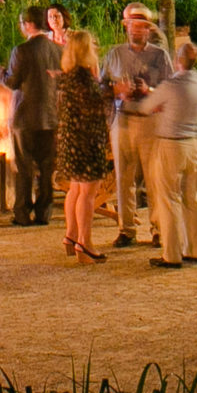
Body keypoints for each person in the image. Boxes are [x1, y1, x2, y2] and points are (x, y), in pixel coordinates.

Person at [101, 3, 175, 249]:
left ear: (148, 30)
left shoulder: (159, 56)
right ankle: (126, 228)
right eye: (133, 25)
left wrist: (148, 90)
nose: (137, 30)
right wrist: (117, 91)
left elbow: (171, 90)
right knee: (124, 177)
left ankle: (158, 229)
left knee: (154, 177)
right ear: (127, 27)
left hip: (150, 121)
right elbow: (100, 87)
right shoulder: (114, 54)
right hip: (122, 120)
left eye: (143, 26)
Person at [137, 39, 197, 268]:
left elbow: (145, 107)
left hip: (171, 144)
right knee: (192, 198)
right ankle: (196, 249)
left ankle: (172, 253)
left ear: (178, 60)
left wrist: (150, 96)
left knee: (168, 199)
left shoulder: (171, 85)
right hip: (196, 143)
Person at [52, 27, 113, 262]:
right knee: (88, 193)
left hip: (71, 140)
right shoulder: (84, 78)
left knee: (75, 189)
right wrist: (114, 91)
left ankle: (71, 235)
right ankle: (85, 244)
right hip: (86, 141)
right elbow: (94, 107)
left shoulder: (68, 76)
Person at [5, 8, 61, 227]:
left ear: (28, 24)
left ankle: (22, 211)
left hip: (25, 117)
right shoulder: (58, 51)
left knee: (25, 166)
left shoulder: (22, 51)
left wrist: (2, 74)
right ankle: (43, 212)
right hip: (50, 115)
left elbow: (13, 82)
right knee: (47, 167)